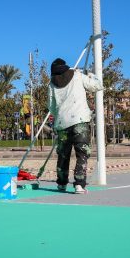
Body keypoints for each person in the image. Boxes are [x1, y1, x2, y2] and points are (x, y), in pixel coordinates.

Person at [48, 57, 103, 194]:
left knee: (63, 155)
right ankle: (79, 184)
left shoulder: (51, 84)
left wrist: (60, 114)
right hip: (79, 120)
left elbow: (51, 106)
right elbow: (97, 86)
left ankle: (61, 184)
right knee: (82, 153)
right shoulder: (77, 75)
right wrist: (91, 75)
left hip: (62, 123)